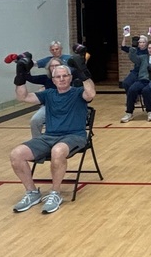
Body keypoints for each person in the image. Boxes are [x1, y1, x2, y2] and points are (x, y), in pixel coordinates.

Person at [9, 51, 96, 214]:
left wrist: (84, 73)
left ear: (70, 77)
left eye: (65, 76)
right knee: (16, 154)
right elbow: (23, 97)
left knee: (57, 151)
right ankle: (32, 192)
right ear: (53, 80)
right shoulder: (48, 94)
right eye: (58, 77)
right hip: (49, 136)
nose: (61, 79)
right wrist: (20, 76)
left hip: (74, 136)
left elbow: (90, 93)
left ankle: (55, 193)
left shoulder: (78, 92)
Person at [119, 31, 151, 122]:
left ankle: (150, 112)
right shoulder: (143, 57)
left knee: (146, 91)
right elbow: (133, 58)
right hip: (143, 79)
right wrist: (133, 47)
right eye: (149, 48)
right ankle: (129, 113)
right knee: (132, 89)